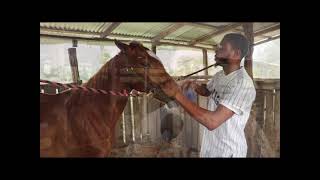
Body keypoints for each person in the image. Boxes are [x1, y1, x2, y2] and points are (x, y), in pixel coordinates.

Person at [157, 33, 256, 157]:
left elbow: (212, 121)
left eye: (222, 48)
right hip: (211, 146)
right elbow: (208, 91)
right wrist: (194, 86)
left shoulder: (242, 84)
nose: (216, 50)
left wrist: (177, 94)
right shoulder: (220, 75)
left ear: (236, 54)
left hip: (228, 152)